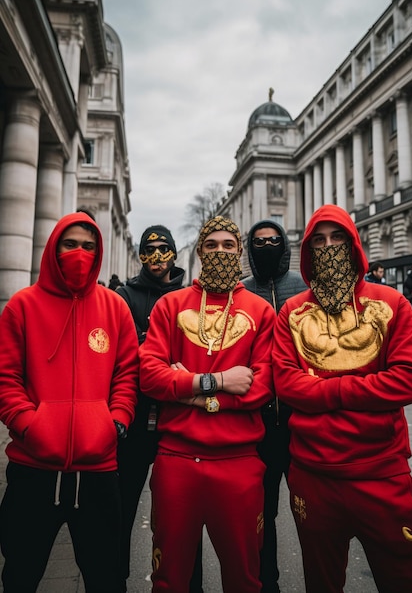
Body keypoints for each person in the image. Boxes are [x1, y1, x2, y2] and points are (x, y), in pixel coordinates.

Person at [272, 204, 412, 593]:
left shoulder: (393, 304)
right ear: (306, 252)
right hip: (314, 476)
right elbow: (287, 384)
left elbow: (408, 378)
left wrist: (324, 387)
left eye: (337, 238)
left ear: (353, 243)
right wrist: (366, 383)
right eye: (318, 241)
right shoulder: (292, 311)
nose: (328, 247)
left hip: (382, 474)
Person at [0, 211, 139, 593]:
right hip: (32, 471)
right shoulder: (22, 306)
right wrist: (29, 425)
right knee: (20, 575)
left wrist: (117, 422)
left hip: (98, 472)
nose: (80, 253)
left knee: (106, 578)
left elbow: (127, 374)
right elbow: (6, 378)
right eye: (70, 244)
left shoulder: (115, 308)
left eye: (89, 246)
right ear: (54, 247)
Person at [139, 216, 276, 593]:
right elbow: (149, 375)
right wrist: (215, 383)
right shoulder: (170, 305)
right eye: (211, 245)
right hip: (177, 461)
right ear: (200, 251)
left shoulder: (261, 312)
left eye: (228, 245)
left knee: (245, 579)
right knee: (169, 579)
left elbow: (262, 386)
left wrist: (184, 390)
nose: (219, 252)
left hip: (239, 463)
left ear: (239, 251)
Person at [116, 225, 203, 593]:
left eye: (164, 248)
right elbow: (123, 352)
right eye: (149, 249)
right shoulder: (123, 295)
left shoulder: (189, 296)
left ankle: (191, 583)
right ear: (139, 254)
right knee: (121, 508)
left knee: (184, 515)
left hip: (176, 416)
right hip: (134, 417)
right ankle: (113, 575)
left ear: (173, 252)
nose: (157, 255)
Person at [243, 220, 306, 593]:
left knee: (310, 515)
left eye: (273, 240)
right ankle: (269, 583)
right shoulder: (243, 291)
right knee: (263, 516)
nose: (266, 245)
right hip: (260, 427)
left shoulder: (302, 286)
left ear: (283, 244)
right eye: (259, 241)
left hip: (301, 426)